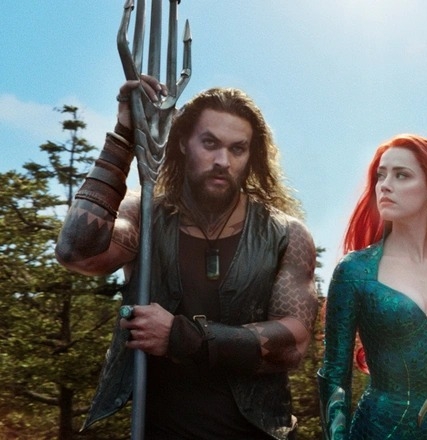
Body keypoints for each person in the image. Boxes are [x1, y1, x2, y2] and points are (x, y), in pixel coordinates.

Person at [56, 76, 318, 440]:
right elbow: (78, 252)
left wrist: (184, 337)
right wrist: (124, 135)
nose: (222, 161)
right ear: (182, 142)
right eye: (209, 143)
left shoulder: (285, 234)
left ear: (251, 156)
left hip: (255, 432)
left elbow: (293, 344)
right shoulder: (145, 217)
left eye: (238, 149)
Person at [317, 134, 427, 439]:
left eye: (401, 175)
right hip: (378, 431)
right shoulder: (355, 271)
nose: (385, 185)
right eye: (381, 175)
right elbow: (335, 378)